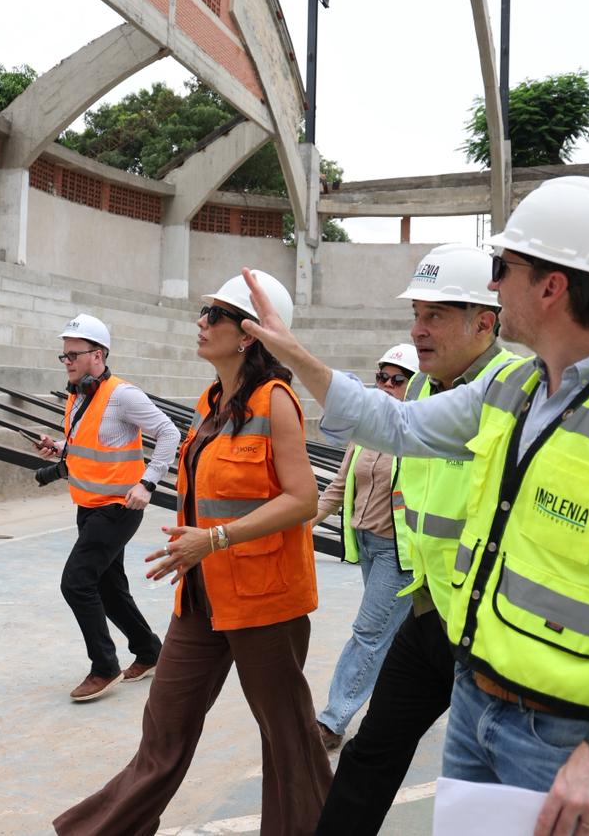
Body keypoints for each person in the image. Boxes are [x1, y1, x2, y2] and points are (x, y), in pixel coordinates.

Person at [240, 176, 589, 836]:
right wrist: (295, 355)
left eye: (504, 268)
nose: (494, 285)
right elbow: (397, 425)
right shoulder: (518, 388)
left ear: (551, 286)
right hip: (476, 695)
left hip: (563, 734)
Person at [53, 271, 332, 836]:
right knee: (164, 728)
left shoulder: (276, 401)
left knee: (288, 739)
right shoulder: (210, 401)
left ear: (249, 334)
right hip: (202, 596)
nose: (201, 323)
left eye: (215, 315)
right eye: (204, 312)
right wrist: (199, 546)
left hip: (265, 601)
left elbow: (304, 499)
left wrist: (215, 538)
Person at [316, 245, 518, 836]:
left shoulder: (514, 390)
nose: (417, 329)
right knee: (372, 753)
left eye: (435, 316)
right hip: (430, 609)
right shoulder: (426, 389)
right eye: (416, 314)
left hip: (489, 626)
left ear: (484, 322)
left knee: (485, 783)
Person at [34, 313, 180, 702]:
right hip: (89, 506)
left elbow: (170, 433)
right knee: (109, 587)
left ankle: (104, 666)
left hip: (118, 507)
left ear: (97, 355)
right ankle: (149, 651)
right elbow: (89, 445)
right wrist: (58, 448)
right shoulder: (78, 395)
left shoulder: (122, 395)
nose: (66, 361)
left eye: (73, 355)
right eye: (64, 355)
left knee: (76, 581)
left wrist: (148, 483)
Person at [312, 343, 418, 752]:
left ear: (415, 385)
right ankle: (400, 706)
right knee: (395, 632)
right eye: (382, 377)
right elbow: (340, 486)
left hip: (399, 551)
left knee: (369, 633)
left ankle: (332, 721)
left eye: (398, 379)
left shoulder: (418, 435)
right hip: (369, 545)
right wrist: (305, 523)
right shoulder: (366, 431)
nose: (387, 385)